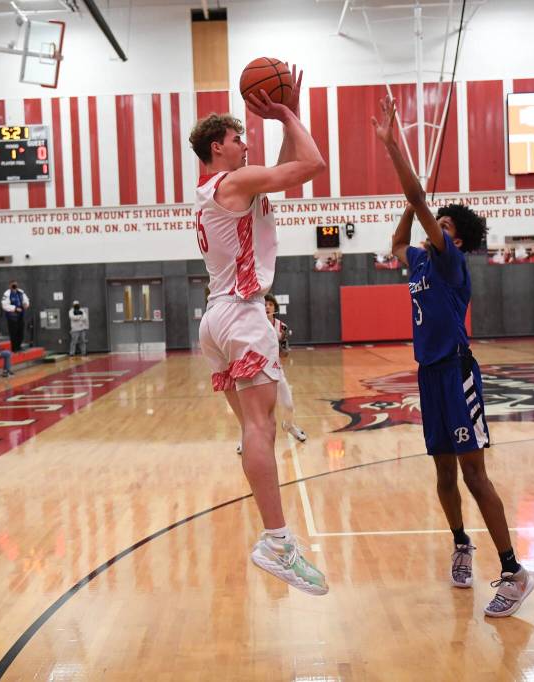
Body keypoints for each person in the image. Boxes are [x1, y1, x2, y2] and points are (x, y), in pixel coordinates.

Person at [373, 94, 533, 617]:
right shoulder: (420, 261)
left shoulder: (450, 261)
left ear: (453, 235)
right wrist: (413, 208)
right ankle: (461, 543)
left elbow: (417, 196)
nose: (429, 226)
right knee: (443, 474)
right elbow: (398, 240)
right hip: (429, 375)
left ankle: (513, 570)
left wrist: (394, 147)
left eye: (439, 222)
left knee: (473, 473)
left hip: (457, 373)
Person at [190, 65, 328, 595]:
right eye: (237, 137)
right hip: (244, 314)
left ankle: (276, 538)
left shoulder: (216, 190)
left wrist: (283, 117)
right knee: (259, 430)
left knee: (256, 432)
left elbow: (287, 165)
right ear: (217, 148)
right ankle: (276, 541)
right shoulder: (235, 182)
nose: (246, 144)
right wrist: (288, 111)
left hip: (216, 318)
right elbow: (312, 164)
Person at [265, 293, 307, 443]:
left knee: (288, 405)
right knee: (256, 413)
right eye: (264, 304)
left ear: (275, 307)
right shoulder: (254, 326)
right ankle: (245, 438)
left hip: (276, 371)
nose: (267, 306)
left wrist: (281, 342)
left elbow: (284, 355)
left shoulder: (281, 327)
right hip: (258, 374)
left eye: (270, 304)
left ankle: (289, 426)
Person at [1, 280, 30, 352]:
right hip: (12, 317)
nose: (14, 287)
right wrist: (15, 308)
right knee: (13, 333)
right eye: (13, 285)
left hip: (21, 315)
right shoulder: (7, 294)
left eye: (15, 285)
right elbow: (4, 305)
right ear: (10, 286)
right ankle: (14, 348)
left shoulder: (21, 292)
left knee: (21, 332)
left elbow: (26, 300)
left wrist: (26, 304)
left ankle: (19, 346)